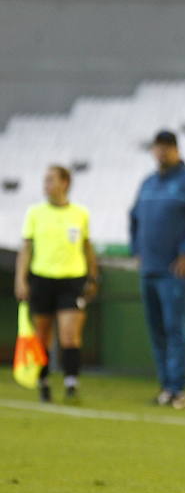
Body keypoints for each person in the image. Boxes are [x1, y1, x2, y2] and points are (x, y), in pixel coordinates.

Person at [129, 130, 185, 409]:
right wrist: (137, 251)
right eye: (157, 148)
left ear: (176, 150)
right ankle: (166, 387)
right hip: (150, 269)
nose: (161, 153)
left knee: (175, 329)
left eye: (166, 148)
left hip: (174, 271)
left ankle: (179, 389)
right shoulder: (147, 184)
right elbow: (134, 218)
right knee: (156, 330)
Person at [13, 165, 99, 402]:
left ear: (65, 183)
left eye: (51, 180)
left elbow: (87, 248)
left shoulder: (80, 214)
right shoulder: (35, 213)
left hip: (72, 281)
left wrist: (93, 277)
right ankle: (44, 381)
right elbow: (26, 249)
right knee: (42, 336)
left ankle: (72, 383)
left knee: (70, 335)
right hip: (42, 280)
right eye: (45, 180)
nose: (46, 185)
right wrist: (21, 279)